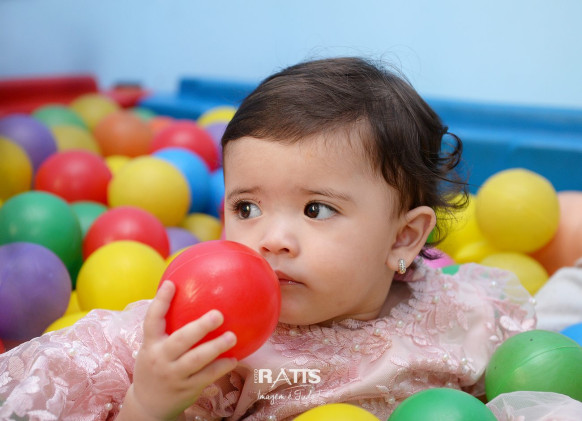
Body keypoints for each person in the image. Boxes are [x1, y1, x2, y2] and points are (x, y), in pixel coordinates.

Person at [0, 57, 536, 421]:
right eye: (247, 208)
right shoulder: (208, 345)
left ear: (404, 238)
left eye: (316, 209)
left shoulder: (461, 313)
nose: (272, 239)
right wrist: (149, 401)